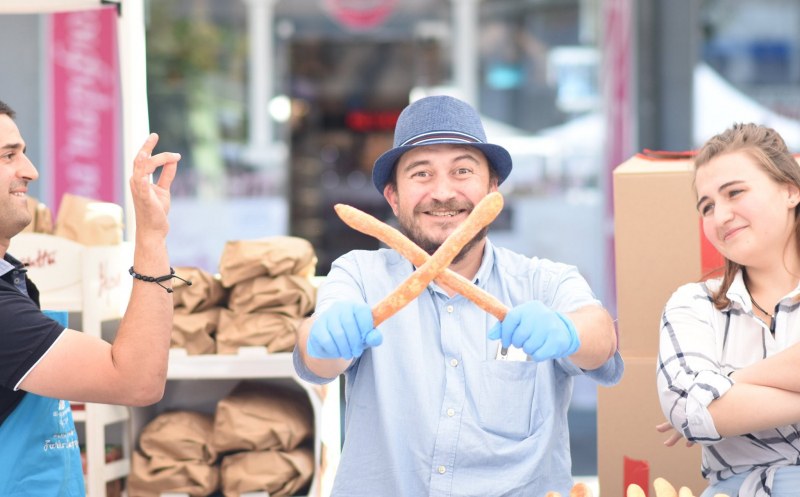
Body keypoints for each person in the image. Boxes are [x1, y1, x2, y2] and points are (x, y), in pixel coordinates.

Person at [293, 95, 623, 496]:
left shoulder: (543, 282)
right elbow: (316, 355)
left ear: (492, 190)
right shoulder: (359, 275)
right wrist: (326, 335)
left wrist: (568, 330)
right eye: (421, 174)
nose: (443, 192)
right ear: (394, 197)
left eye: (462, 170)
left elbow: (601, 338)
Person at [0, 99, 182, 495]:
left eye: (24, 154)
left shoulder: (13, 276)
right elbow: (136, 381)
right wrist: (151, 236)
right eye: (8, 156)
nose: (30, 171)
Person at [657, 123, 800, 497]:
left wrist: (722, 382)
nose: (720, 217)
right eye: (707, 207)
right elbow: (689, 410)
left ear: (791, 190)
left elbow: (697, 404)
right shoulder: (692, 304)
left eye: (734, 192)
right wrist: (699, 407)